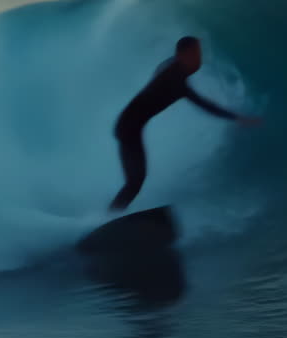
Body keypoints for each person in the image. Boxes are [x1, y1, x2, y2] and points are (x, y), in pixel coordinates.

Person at [108, 36, 260, 212]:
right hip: (128, 127)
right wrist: (236, 117)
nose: (200, 58)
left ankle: (111, 214)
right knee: (135, 181)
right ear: (183, 56)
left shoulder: (172, 68)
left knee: (135, 181)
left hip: (130, 125)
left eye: (199, 53)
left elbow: (162, 72)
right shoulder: (175, 80)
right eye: (195, 54)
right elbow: (203, 104)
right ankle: (110, 216)